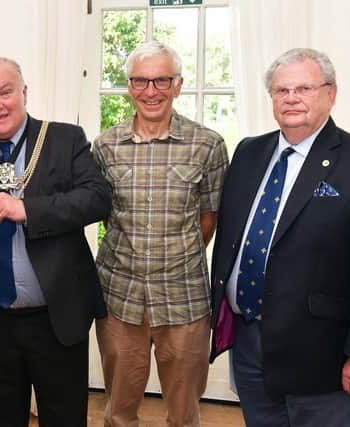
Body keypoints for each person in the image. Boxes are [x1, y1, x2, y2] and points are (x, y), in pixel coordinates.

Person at [210, 48, 350, 427]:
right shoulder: (249, 152)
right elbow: (234, 237)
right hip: (249, 342)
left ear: (331, 94)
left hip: (322, 353)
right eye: (281, 90)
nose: (292, 98)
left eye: (304, 88)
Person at [0, 56, 111, 426]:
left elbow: (97, 199)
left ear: (24, 92)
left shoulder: (65, 139)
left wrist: (28, 209)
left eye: (5, 92)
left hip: (55, 319)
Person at [92, 41, 229, 426]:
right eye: (141, 81)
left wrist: (171, 257)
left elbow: (209, 218)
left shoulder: (208, 145)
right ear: (129, 85)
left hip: (184, 299)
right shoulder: (105, 146)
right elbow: (107, 216)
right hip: (120, 299)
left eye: (161, 81)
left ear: (178, 84)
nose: (150, 91)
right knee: (118, 412)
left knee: (185, 414)